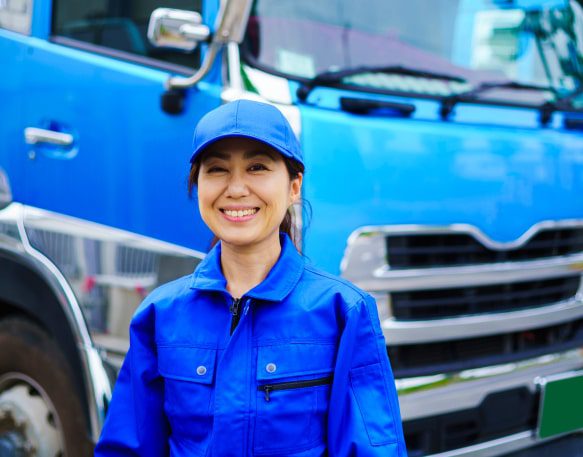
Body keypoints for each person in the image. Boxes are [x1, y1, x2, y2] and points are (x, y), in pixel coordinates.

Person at [95, 100, 407, 456]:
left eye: (257, 167)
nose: (237, 189)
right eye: (217, 170)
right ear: (197, 186)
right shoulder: (159, 315)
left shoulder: (344, 312)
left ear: (293, 186)